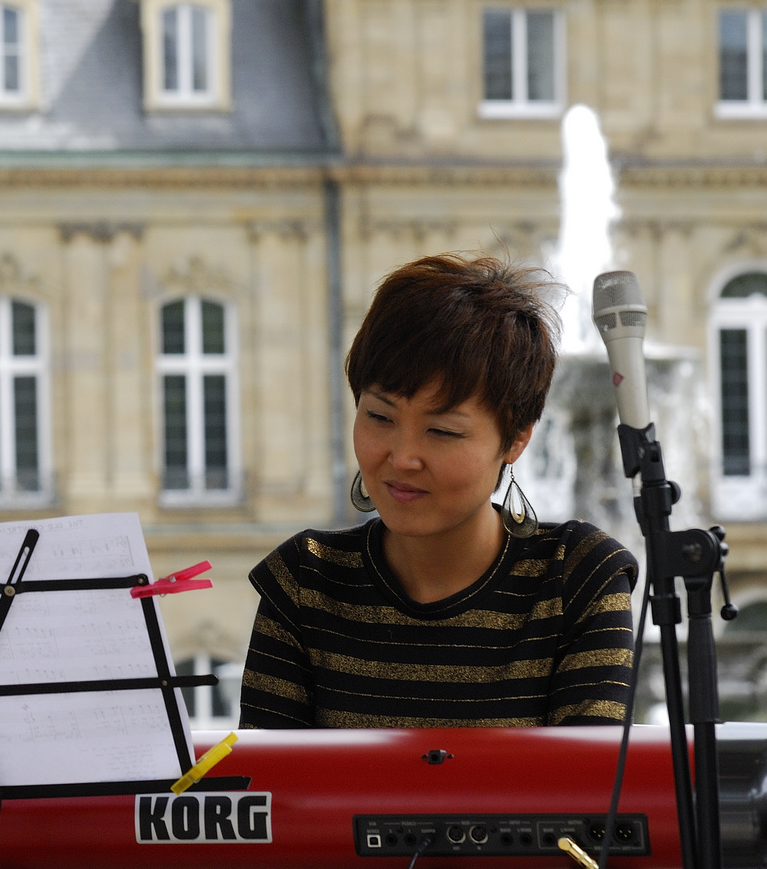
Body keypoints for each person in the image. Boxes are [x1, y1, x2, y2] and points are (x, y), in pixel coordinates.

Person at [238, 254, 638, 728]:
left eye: (442, 431)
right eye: (379, 417)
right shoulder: (304, 582)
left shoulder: (577, 578)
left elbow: (593, 791)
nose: (403, 457)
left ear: (516, 439)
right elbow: (269, 791)